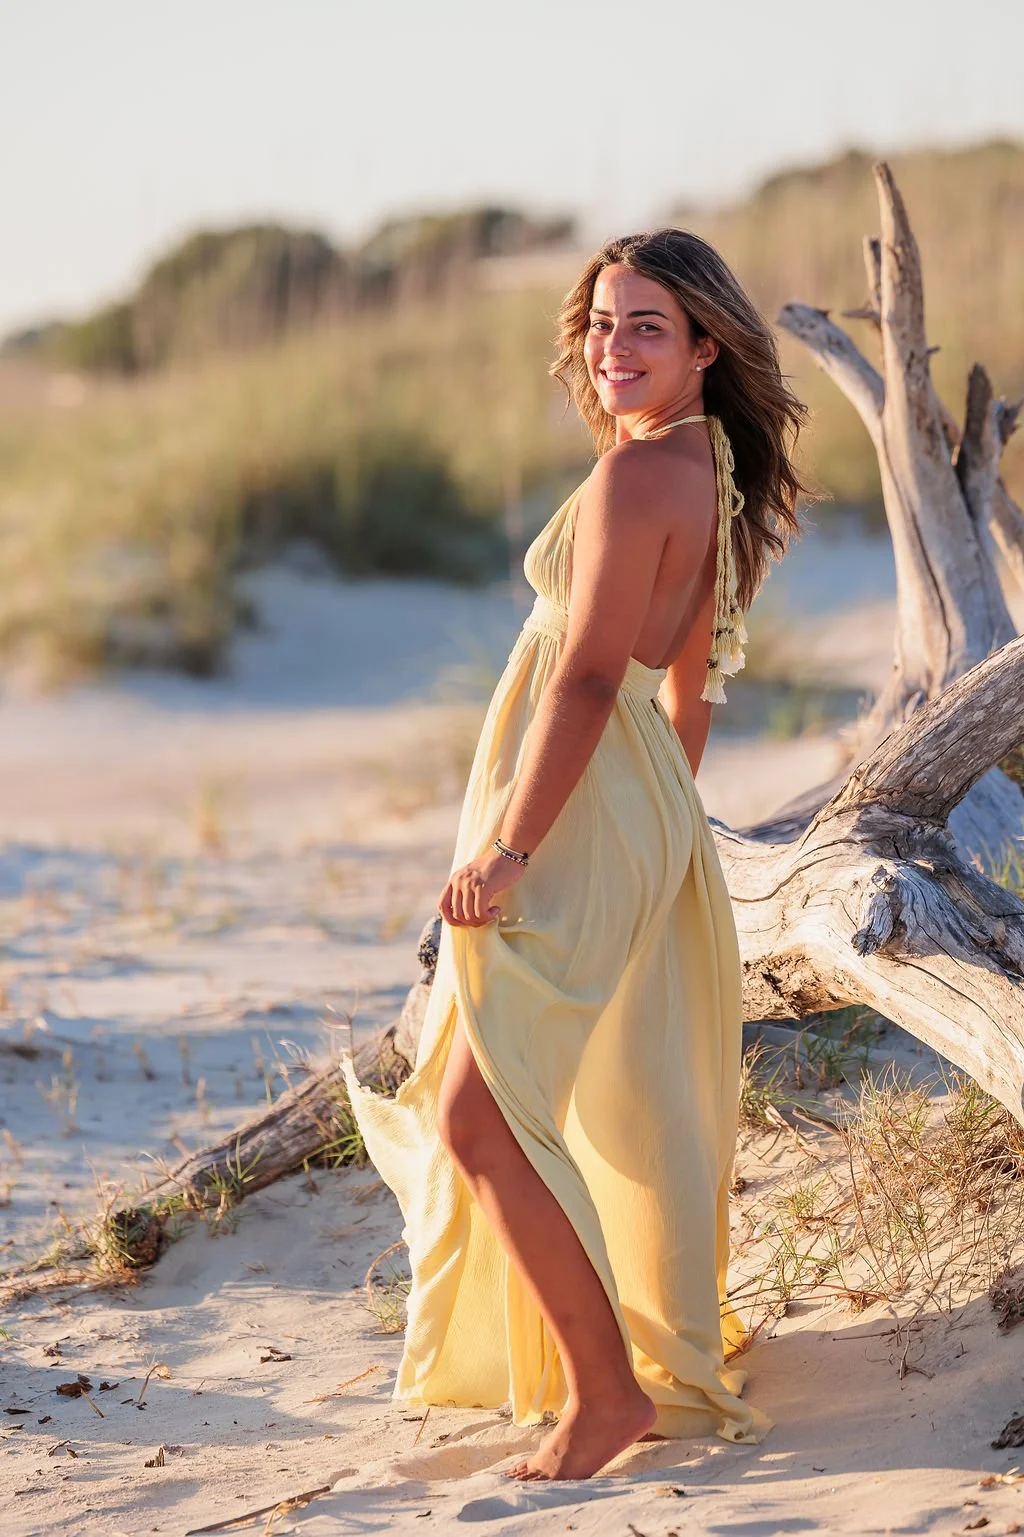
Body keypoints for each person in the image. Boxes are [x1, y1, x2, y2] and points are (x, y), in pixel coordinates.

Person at [345, 228, 806, 1482]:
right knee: (567, 1087)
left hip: (581, 809)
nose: (613, 346)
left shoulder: (638, 475)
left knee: (476, 1112)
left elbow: (595, 676)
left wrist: (512, 846)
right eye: (602, 322)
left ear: (704, 347)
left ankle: (606, 1398)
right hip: (629, 802)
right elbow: (689, 686)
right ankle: (601, 1374)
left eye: (646, 325)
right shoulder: (701, 468)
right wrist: (662, 831)